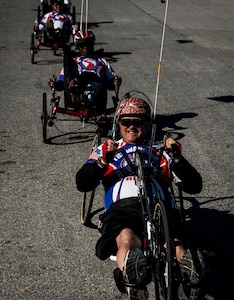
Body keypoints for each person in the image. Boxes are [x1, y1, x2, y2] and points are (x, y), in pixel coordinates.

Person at [76, 94, 206, 299]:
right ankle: (139, 269)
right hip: (123, 206)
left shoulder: (161, 150)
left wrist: (178, 158)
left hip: (158, 204)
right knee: (130, 236)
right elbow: (82, 183)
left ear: (148, 125)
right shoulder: (107, 149)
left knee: (167, 239)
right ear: (118, 124)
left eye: (138, 122)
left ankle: (186, 269)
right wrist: (103, 162)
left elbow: (194, 186)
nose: (131, 126)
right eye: (126, 122)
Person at [50, 29, 120, 118]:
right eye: (82, 46)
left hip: (97, 87)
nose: (86, 48)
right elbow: (61, 84)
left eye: (88, 45)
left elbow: (111, 82)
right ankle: (75, 89)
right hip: (77, 86)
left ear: (93, 45)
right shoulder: (73, 62)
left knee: (93, 78)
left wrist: (115, 81)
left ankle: (83, 89)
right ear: (78, 47)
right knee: (69, 62)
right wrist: (54, 84)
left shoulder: (102, 61)